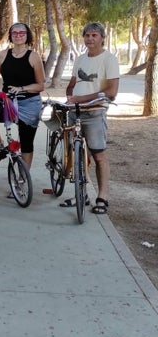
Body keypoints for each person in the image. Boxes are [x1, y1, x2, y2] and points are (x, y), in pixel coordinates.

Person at [62, 22, 119, 214]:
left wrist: (81, 98)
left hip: (95, 112)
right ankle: (81, 194)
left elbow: (111, 91)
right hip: (75, 111)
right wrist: (70, 96)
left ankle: (102, 197)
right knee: (77, 155)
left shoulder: (109, 59)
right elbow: (72, 83)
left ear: (102, 38)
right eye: (87, 35)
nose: (90, 39)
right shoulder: (80, 59)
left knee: (98, 155)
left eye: (94, 35)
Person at [0, 22, 45, 174]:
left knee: (26, 142)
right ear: (11, 36)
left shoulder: (33, 57)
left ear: (27, 36)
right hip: (6, 101)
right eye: (15, 33)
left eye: (22, 33)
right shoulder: (3, 54)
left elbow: (41, 85)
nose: (18, 36)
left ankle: (23, 178)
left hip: (29, 103)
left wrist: (22, 88)